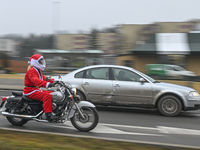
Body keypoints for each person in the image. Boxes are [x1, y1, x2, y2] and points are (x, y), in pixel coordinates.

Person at [23, 54, 58, 122]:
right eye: (40, 62)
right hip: (30, 91)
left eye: (42, 62)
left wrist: (55, 81)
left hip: (36, 90)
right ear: (35, 62)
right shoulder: (31, 70)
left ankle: (52, 109)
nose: (42, 63)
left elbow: (44, 78)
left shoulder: (38, 70)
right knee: (47, 95)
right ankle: (48, 115)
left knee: (53, 94)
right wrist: (47, 84)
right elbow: (36, 80)